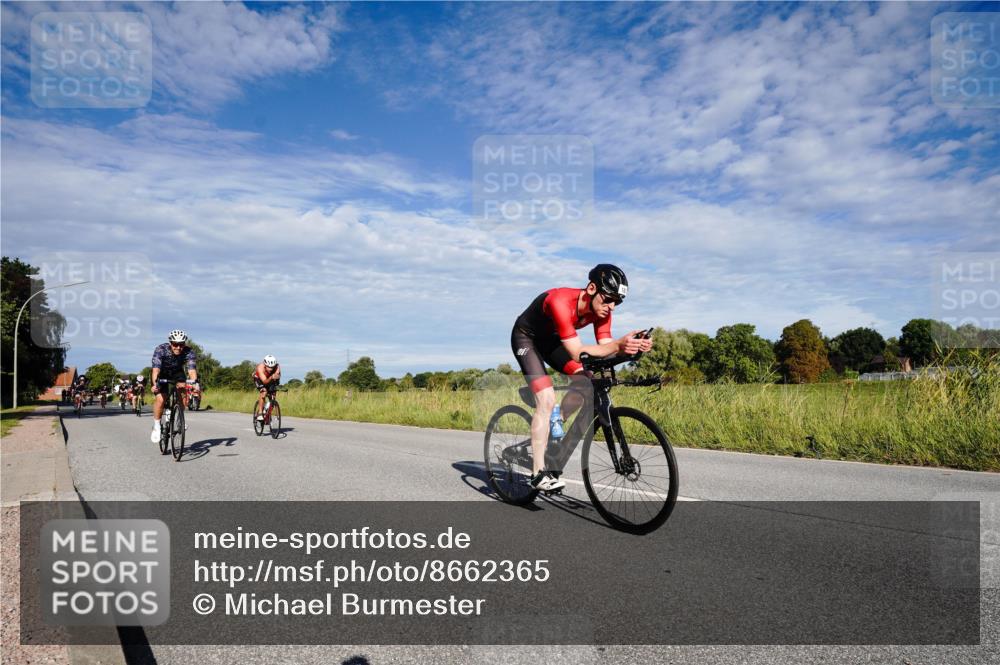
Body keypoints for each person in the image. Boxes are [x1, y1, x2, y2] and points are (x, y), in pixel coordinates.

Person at [510, 264, 652, 491]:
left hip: (552, 342)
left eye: (618, 302)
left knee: (586, 382)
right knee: (546, 399)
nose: (612, 307)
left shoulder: (602, 311)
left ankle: (556, 424)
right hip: (526, 338)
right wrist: (619, 344)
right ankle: (537, 474)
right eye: (608, 299)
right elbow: (577, 352)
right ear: (592, 288)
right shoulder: (560, 301)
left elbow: (606, 347)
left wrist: (632, 349)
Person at [149, 330, 199, 443]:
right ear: (170, 343)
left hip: (177, 373)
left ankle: (179, 419)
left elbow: (191, 370)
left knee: (183, 394)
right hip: (162, 373)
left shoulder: (189, 351)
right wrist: (155, 383)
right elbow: (156, 369)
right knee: (161, 399)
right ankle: (156, 426)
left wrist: (194, 383)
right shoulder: (161, 349)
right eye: (175, 344)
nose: (178, 347)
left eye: (181, 344)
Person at [253, 354, 281, 421]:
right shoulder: (260, 367)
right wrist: (271, 377)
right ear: (265, 365)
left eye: (272, 367)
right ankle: (260, 413)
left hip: (269, 378)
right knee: (264, 391)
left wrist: (276, 377)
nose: (270, 369)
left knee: (273, 395)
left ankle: (268, 413)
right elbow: (265, 381)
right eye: (269, 367)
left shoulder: (277, 366)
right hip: (259, 379)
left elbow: (277, 376)